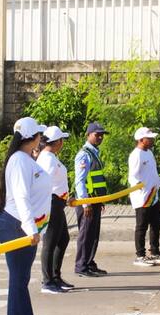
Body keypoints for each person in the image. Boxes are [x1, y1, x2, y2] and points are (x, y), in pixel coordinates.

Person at [0, 116, 51, 315]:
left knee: (22, 279)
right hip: (17, 225)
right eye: (39, 134)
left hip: (23, 225)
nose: (41, 138)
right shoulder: (18, 160)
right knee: (18, 280)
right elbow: (21, 197)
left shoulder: (26, 159)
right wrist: (30, 228)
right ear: (33, 137)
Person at [36, 126, 74, 294]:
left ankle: (56, 277)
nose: (63, 143)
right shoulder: (47, 159)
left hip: (58, 202)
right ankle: (47, 280)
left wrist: (66, 197)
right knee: (50, 242)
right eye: (62, 140)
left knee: (63, 239)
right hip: (51, 203)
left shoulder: (50, 157)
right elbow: (44, 183)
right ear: (58, 142)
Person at [129, 127, 160, 267]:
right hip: (142, 198)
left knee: (156, 225)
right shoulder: (136, 155)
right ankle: (140, 255)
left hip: (154, 197)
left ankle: (154, 251)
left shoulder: (150, 153)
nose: (153, 140)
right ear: (141, 140)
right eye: (150, 138)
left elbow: (154, 176)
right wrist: (139, 186)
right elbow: (133, 177)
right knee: (141, 227)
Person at [73, 122, 109, 278]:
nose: (100, 137)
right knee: (86, 234)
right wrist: (85, 202)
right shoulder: (84, 154)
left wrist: (99, 201)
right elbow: (80, 181)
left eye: (102, 135)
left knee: (93, 234)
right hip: (87, 201)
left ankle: (89, 262)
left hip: (95, 200)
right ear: (89, 135)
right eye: (97, 134)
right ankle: (81, 265)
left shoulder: (94, 152)